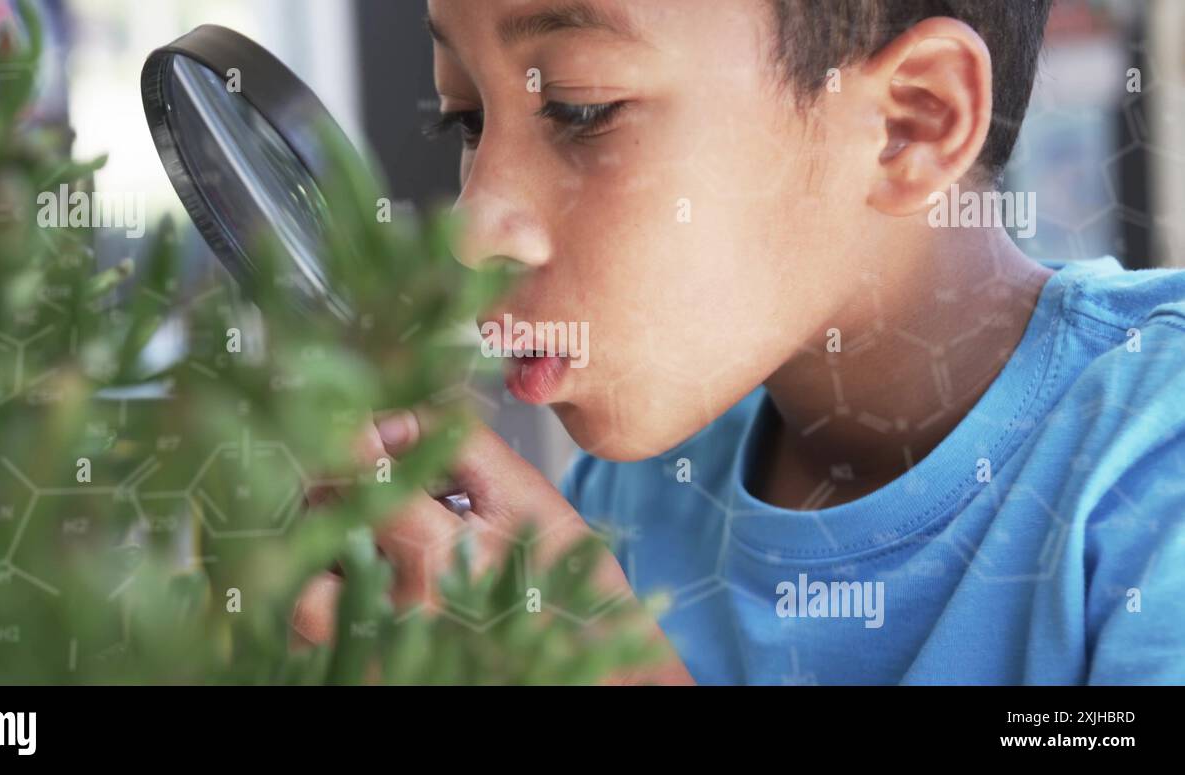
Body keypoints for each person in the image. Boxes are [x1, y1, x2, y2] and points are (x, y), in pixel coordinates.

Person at [294, 0, 1185, 685]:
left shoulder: (1156, 465)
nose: (469, 230)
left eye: (578, 107)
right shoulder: (638, 492)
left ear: (910, 123)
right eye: (468, 120)